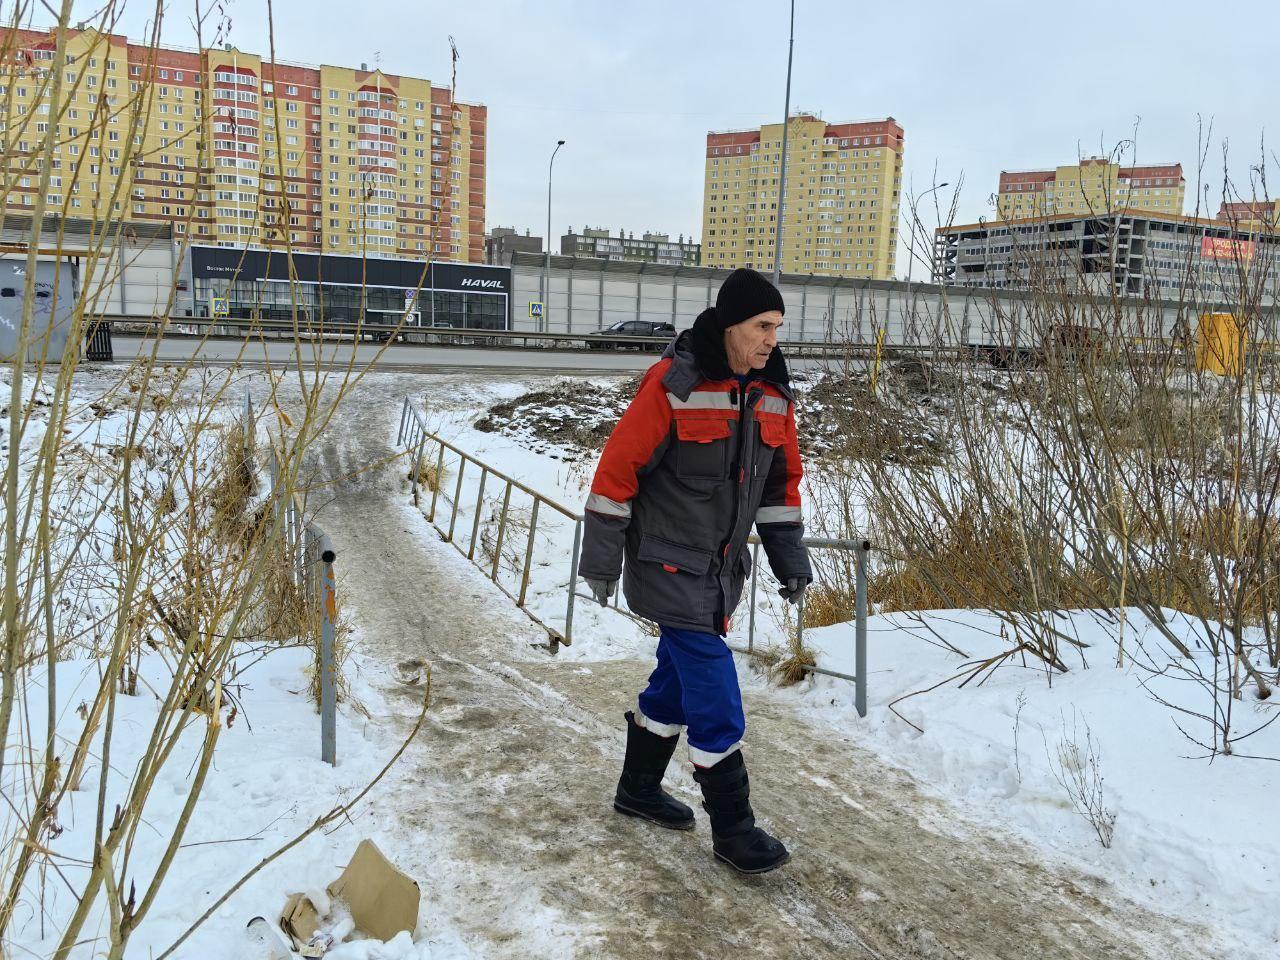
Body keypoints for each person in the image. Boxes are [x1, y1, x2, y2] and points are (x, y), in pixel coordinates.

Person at [578, 267, 812, 874]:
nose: (771, 340)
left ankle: (638, 789)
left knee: (675, 685)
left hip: (721, 572)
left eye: (777, 328)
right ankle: (733, 828)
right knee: (714, 692)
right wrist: (601, 557)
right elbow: (616, 473)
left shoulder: (774, 396)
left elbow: (781, 487)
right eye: (762, 326)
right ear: (731, 323)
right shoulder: (673, 384)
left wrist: (790, 561)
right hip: (667, 565)